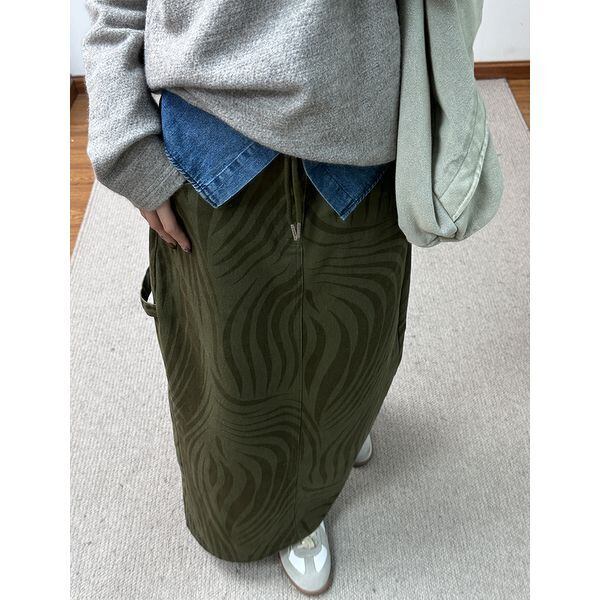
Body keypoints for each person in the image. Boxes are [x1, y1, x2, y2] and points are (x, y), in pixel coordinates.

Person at [83, 0, 500, 595]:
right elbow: (116, 8)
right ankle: (286, 513)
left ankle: (331, 444)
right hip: (216, 119)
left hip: (366, 114)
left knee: (360, 336)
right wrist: (124, 138)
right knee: (241, 375)